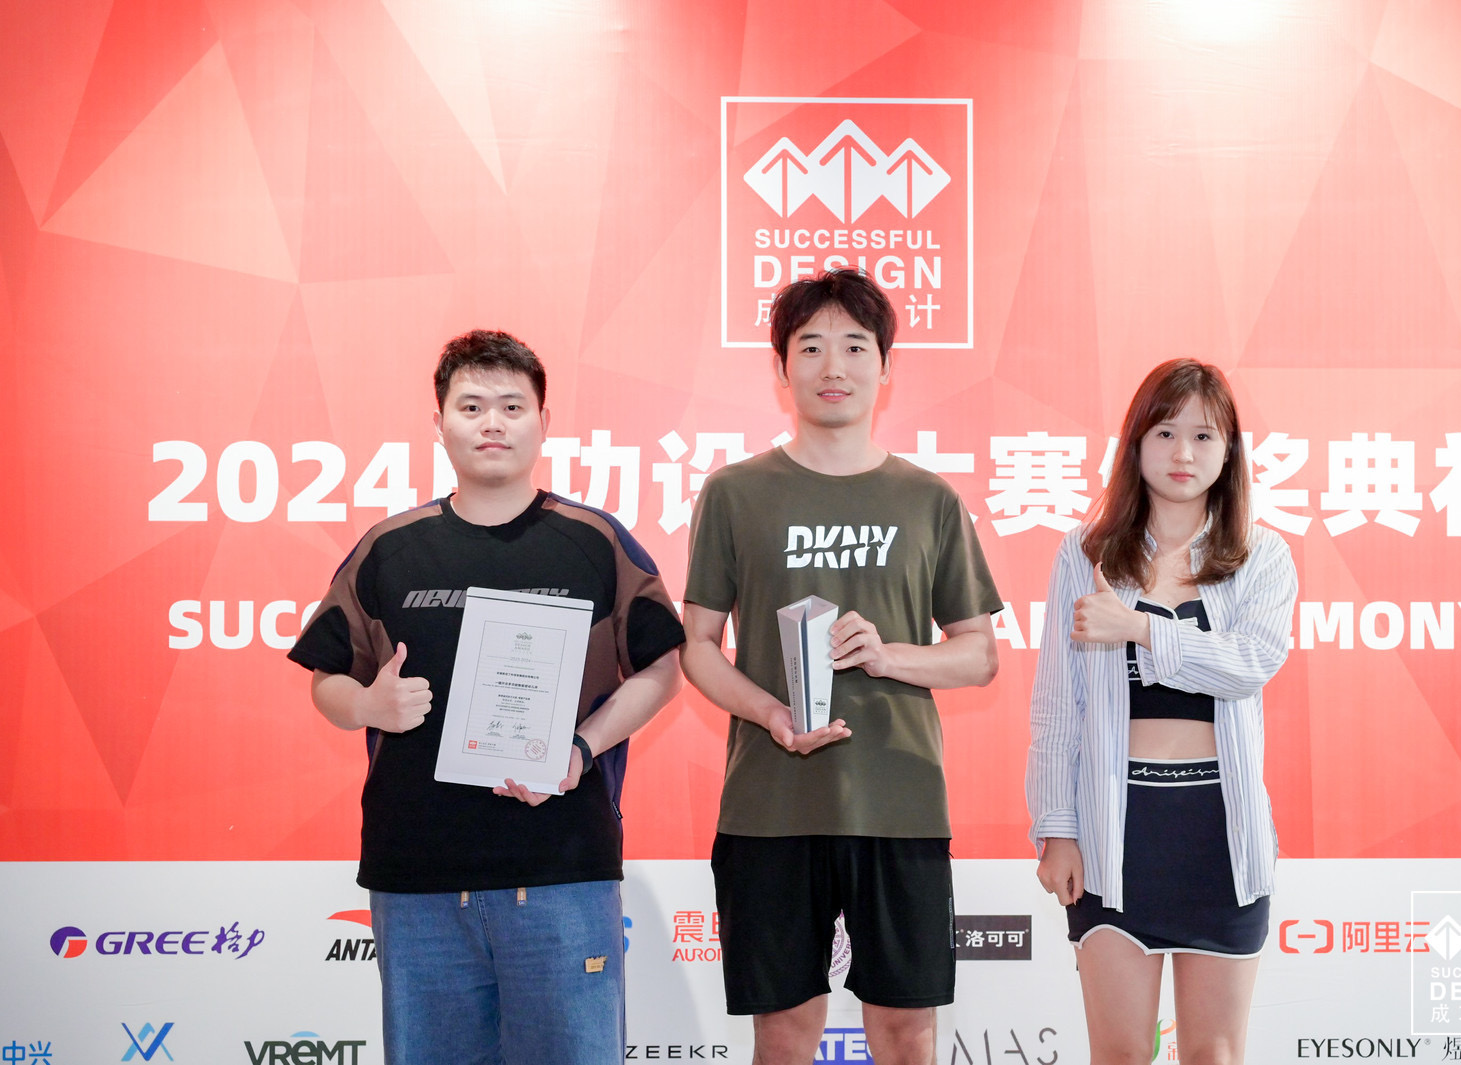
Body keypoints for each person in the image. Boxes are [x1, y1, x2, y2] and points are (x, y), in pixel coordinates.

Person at [287, 329, 685, 1065]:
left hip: (561, 868)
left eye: (511, 405)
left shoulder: (595, 542)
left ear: (544, 421)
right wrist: (368, 706)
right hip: (419, 876)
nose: (492, 423)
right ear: (438, 423)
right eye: (471, 406)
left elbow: (663, 668)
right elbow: (326, 679)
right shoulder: (390, 548)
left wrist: (581, 748)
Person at [681, 269, 1002, 1065]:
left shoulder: (928, 499)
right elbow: (697, 645)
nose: (834, 366)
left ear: (885, 368)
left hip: (900, 803)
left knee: (906, 1033)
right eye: (811, 346)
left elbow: (978, 653)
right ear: (780, 367)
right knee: (784, 1033)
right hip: (770, 806)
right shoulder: (734, 492)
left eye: (856, 347)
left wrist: (891, 655)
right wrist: (769, 713)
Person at [1026, 359, 1297, 1065]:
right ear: (1136, 442)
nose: (1183, 453)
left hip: (1220, 829)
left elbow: (1249, 664)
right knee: (1120, 1052)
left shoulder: (1261, 555)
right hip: (1114, 827)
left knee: (1215, 1052)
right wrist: (1057, 827)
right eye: (1166, 432)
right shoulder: (1085, 553)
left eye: (1204, 436)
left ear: (1229, 452)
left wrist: (1142, 629)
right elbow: (1057, 707)